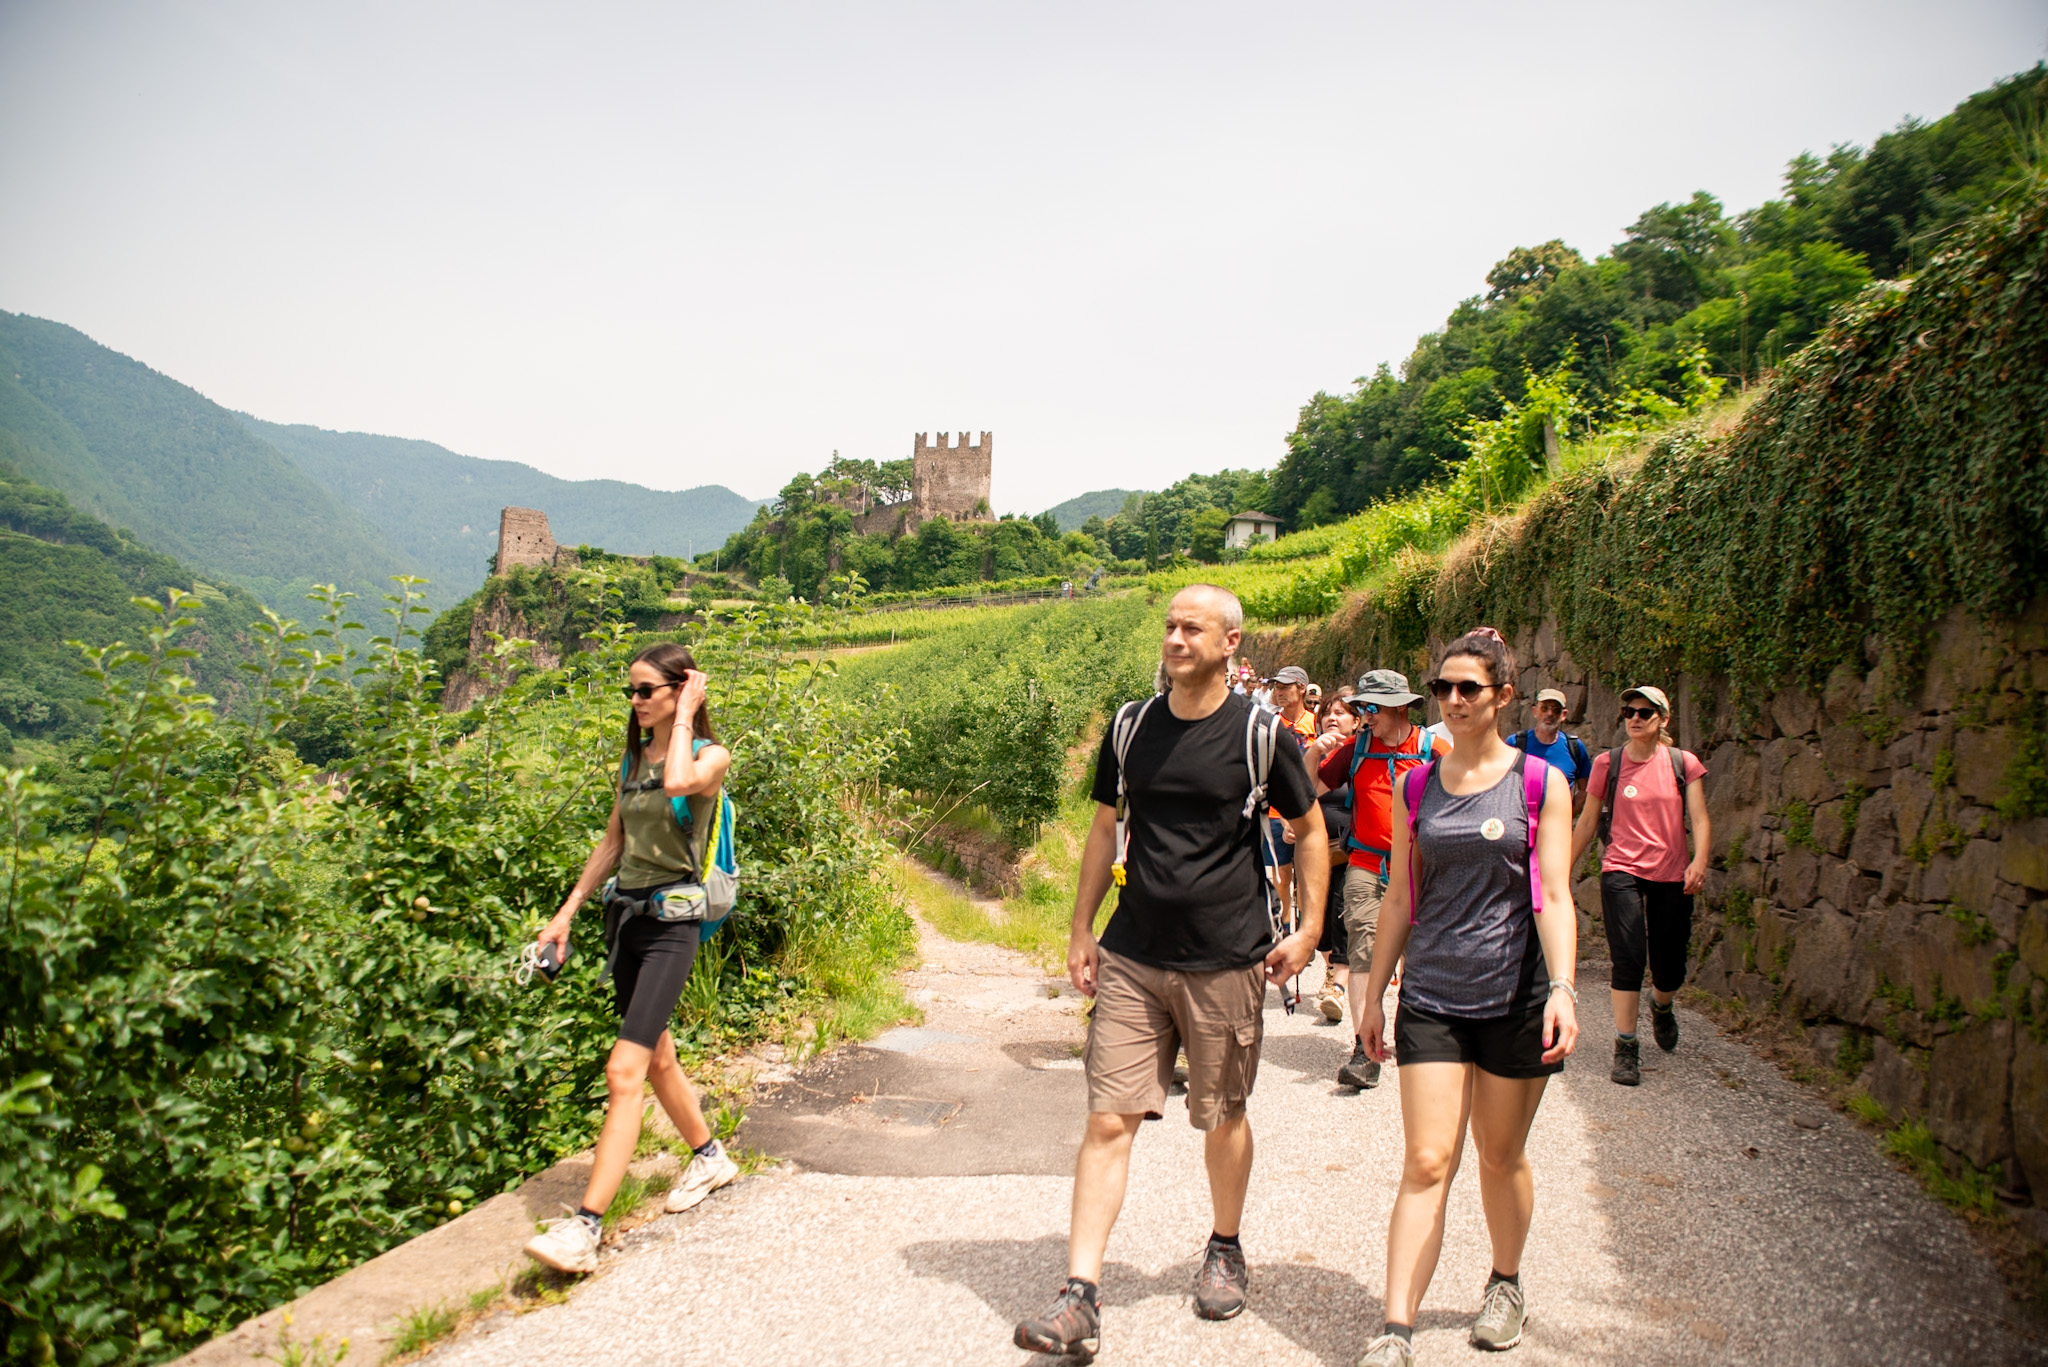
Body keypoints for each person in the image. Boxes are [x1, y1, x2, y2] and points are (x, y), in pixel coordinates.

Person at [1013, 585, 1324, 1359]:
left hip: (1226, 957)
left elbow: (1310, 827)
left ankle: (1224, 1245)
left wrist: (1312, 926)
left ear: (1230, 643)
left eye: (1194, 627)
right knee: (1108, 1117)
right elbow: (1103, 827)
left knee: (1221, 1114)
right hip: (1133, 953)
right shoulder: (1131, 726)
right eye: (1170, 625)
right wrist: (1082, 927)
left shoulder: (1261, 732)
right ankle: (1079, 1294)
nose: (1176, 638)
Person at [1354, 628, 1579, 1366]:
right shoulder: (1419, 783)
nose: (1453, 700)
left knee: (1499, 1152)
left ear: (1503, 696)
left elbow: (1552, 895)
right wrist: (1372, 994)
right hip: (1433, 996)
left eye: (1469, 689)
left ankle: (1505, 1282)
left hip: (1514, 995)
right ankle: (1394, 1330)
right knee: (1426, 1159)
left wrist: (1565, 989)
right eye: (1443, 688)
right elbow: (1398, 899)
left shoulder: (1540, 783)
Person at [522, 643, 741, 1275]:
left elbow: (680, 783)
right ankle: (709, 1157)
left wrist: (687, 717)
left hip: (673, 928)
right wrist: (566, 913)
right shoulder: (632, 759)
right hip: (628, 921)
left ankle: (586, 1229)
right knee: (658, 1056)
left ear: (681, 691)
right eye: (632, 692)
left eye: (647, 690)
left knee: (625, 1070)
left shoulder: (708, 756)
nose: (636, 701)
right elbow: (614, 842)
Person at [1313, 670, 1450, 1091]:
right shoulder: (1355, 750)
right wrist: (1312, 753)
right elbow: (1310, 788)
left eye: (1371, 708)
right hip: (1367, 865)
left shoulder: (1434, 751)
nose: (1364, 716)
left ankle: (1416, 1040)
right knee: (1362, 951)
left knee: (1421, 956)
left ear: (1399, 708)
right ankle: (1363, 1050)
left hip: (1421, 870)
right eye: (1362, 709)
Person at [1568, 685, 1710, 1086]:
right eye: (1629, 711)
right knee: (1628, 958)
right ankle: (1625, 1045)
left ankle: (1661, 1005)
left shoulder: (1684, 763)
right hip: (1621, 869)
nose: (1634, 717)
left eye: (1645, 712)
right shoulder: (1607, 764)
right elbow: (1588, 820)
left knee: (1668, 966)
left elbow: (1698, 817)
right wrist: (1563, 869)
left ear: (1663, 720)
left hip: (1671, 872)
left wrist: (1699, 859)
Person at [1309, 695, 1360, 1021]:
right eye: (1327, 712)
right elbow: (1302, 792)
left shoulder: (1360, 753)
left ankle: (1339, 984)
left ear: (1356, 720)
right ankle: (1332, 969)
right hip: (1315, 850)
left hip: (1351, 850)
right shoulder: (1315, 752)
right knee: (1322, 924)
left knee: (1343, 911)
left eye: (1340, 713)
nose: (1332, 717)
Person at [1262, 665, 1318, 940]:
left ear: (1302, 689)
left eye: (1286, 687)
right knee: (1282, 873)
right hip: (1274, 812)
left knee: (1307, 875)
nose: (1279, 692)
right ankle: (1284, 928)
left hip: (1309, 811)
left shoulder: (1316, 724)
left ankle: (1307, 931)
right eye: (1277, 687)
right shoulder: (1269, 724)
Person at [1507, 688, 1591, 814]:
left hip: (1556, 826)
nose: (1550, 714)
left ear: (1563, 715)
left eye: (1556, 710)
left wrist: (1567, 816)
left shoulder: (1574, 747)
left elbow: (1584, 789)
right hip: (1521, 822)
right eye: (1544, 708)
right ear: (1535, 711)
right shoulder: (1516, 743)